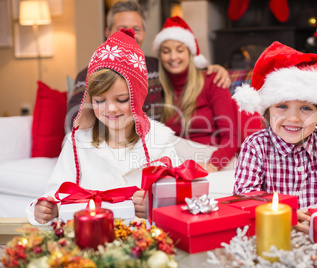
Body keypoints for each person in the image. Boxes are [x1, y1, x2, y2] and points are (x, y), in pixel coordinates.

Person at [27, 28, 178, 225]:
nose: (111, 109)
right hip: (90, 243)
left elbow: (177, 202)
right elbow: (55, 194)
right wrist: (47, 211)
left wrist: (153, 206)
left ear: (138, 97)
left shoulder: (161, 143)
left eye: (122, 99)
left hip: (143, 245)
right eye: (99, 101)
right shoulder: (77, 143)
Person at [232, 41, 317, 233]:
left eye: (305, 108)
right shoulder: (256, 146)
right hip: (272, 230)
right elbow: (245, 195)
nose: (293, 118)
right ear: (267, 111)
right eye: (282, 106)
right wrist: (282, 213)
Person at [66, 0, 231, 130]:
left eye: (136, 29)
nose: (129, 34)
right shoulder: (90, 74)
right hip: (107, 141)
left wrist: (214, 69)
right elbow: (74, 121)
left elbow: (186, 72)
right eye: (121, 29)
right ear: (108, 32)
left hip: (149, 143)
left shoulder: (157, 67)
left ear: (144, 33)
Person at [153, 16, 239, 173]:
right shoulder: (157, 89)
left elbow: (231, 137)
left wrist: (212, 165)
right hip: (180, 164)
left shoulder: (213, 81)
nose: (173, 57)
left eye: (180, 50)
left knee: (168, 141)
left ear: (190, 53)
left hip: (215, 160)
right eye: (166, 51)